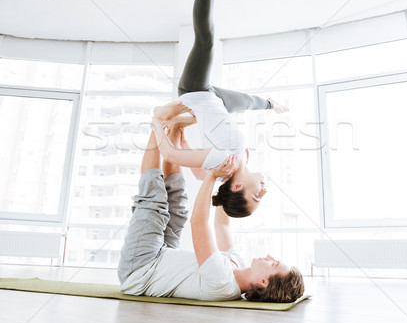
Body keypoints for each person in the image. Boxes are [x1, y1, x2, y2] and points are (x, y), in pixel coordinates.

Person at [151, 0, 288, 218]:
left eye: (256, 196)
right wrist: (182, 130)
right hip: (217, 102)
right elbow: (201, 175)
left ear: (237, 186)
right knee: (252, 102)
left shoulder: (223, 161)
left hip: (196, 91)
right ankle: (272, 104)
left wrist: (158, 124)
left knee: (206, 41)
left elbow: (173, 156)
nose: (263, 190)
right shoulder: (238, 160)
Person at [117, 104, 304, 302]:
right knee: (178, 207)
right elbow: (221, 223)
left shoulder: (223, 283)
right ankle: (172, 129)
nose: (270, 256)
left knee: (154, 202)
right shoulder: (236, 262)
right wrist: (238, 182)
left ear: (262, 282)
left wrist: (212, 176)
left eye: (274, 264)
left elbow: (199, 224)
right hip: (163, 253)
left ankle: (157, 123)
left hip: (140, 268)